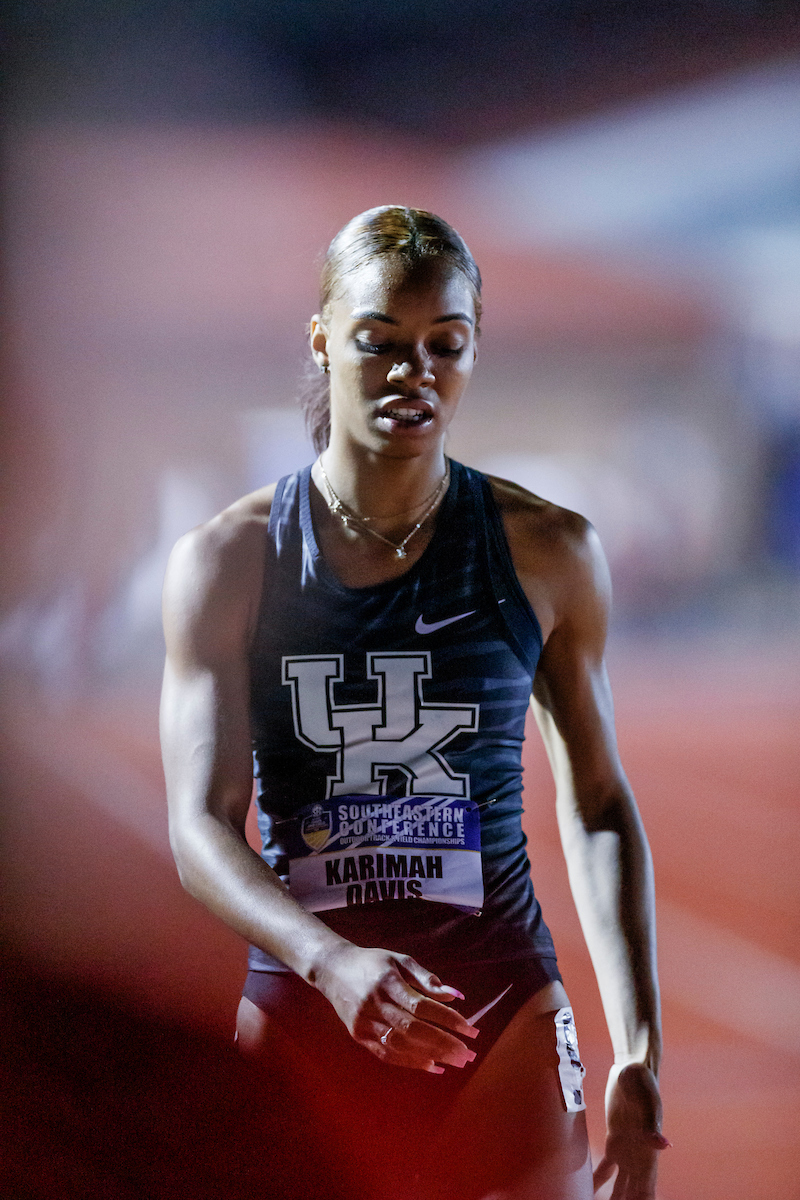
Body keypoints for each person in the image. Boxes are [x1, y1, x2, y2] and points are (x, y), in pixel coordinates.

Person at [160, 206, 668, 1200]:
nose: (413, 374)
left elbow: (598, 802)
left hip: (502, 1005)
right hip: (309, 1001)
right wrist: (331, 964)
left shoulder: (547, 549)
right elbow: (199, 827)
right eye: (378, 343)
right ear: (320, 340)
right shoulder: (230, 561)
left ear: (476, 345)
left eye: (445, 344)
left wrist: (639, 1049)